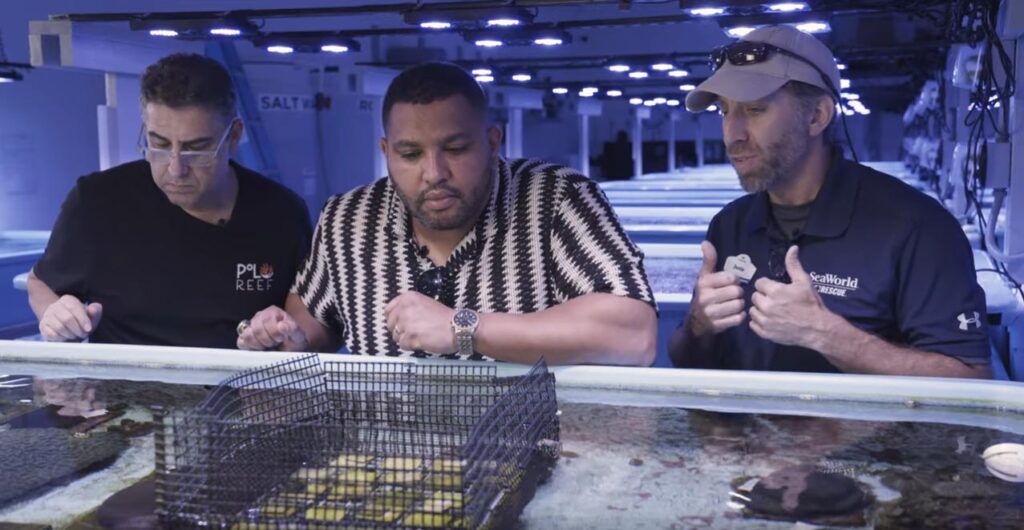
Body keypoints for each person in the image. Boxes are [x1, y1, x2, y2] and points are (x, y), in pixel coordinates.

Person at [237, 62, 657, 365]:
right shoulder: (347, 218)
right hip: (392, 458)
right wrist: (288, 335)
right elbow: (313, 316)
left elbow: (633, 334)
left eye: (456, 149)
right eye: (410, 154)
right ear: (386, 152)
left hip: (534, 455)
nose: (434, 173)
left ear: (493, 143)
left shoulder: (557, 199)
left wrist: (465, 328)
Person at [668, 25, 991, 378]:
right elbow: (690, 362)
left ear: (817, 116)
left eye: (755, 110)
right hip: (743, 433)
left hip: (866, 435)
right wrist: (697, 326)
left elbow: (969, 377)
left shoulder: (917, 228)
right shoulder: (730, 224)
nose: (734, 134)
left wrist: (829, 336)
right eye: (724, 111)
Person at [28, 53, 311, 348]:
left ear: (233, 137)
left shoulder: (281, 213)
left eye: (196, 149)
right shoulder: (96, 201)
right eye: (159, 145)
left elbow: (308, 316)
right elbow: (40, 283)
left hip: (239, 389)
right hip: (123, 389)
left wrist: (287, 333)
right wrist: (55, 314)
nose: (175, 168)